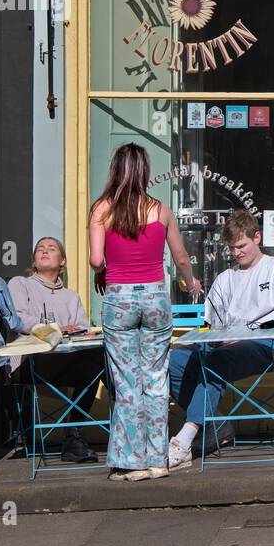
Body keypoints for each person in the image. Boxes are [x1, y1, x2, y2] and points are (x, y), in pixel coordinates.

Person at [89, 144, 200, 482]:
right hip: (154, 296)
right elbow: (180, 256)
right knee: (155, 379)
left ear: (115, 170)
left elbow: (96, 260)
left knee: (126, 382)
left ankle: (129, 461)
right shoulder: (161, 210)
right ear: (145, 172)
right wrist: (190, 282)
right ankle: (157, 460)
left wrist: (103, 272)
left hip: (120, 297)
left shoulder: (102, 209)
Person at [166, 209, 274, 471]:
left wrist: (244, 334)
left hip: (267, 346)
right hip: (226, 346)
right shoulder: (225, 278)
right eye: (232, 248)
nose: (237, 253)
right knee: (171, 361)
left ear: (257, 237)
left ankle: (184, 440)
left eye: (242, 246)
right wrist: (208, 335)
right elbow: (207, 323)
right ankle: (216, 424)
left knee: (215, 361)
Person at [8, 237, 104, 464]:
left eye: (51, 249)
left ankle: (73, 436)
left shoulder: (70, 296)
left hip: (64, 362)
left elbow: (82, 328)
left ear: (63, 262)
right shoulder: (20, 284)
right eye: (40, 248)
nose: (44, 251)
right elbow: (18, 319)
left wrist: (82, 333)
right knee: (99, 362)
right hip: (29, 362)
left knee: (101, 360)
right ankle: (128, 425)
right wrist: (58, 329)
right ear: (34, 259)